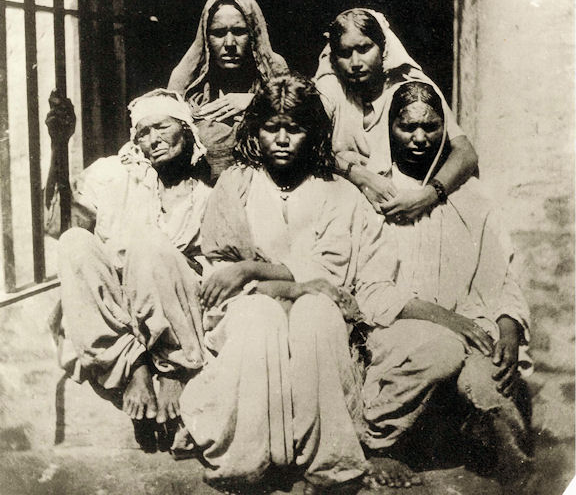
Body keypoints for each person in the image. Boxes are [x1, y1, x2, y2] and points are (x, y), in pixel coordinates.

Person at [176, 74, 404, 493]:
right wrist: (271, 284)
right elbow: (220, 265)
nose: (282, 139)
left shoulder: (336, 193)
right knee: (261, 318)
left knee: (315, 315)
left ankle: (330, 465)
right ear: (255, 130)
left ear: (312, 132)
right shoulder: (236, 184)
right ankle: (246, 460)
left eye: (294, 129)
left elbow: (330, 274)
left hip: (315, 309)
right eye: (271, 127)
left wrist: (255, 270)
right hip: (247, 308)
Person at [361, 80, 532, 486]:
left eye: (432, 126)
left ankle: (489, 441)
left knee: (489, 382)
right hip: (400, 329)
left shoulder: (473, 198)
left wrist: (508, 327)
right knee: (441, 352)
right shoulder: (377, 198)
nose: (420, 138)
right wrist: (449, 322)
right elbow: (373, 291)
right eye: (407, 127)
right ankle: (376, 443)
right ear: (389, 130)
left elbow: (504, 275)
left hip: (472, 324)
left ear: (444, 129)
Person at [51, 89, 212, 451]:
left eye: (161, 127)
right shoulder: (117, 181)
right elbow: (58, 225)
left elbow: (214, 267)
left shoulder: (205, 196)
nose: (152, 140)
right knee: (75, 241)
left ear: (185, 129)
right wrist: (59, 146)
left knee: (149, 244)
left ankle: (172, 371)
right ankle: (134, 366)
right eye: (143, 132)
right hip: (124, 309)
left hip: (177, 311)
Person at [315, 8, 478, 224]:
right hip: (347, 205)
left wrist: (427, 195)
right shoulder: (330, 88)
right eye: (345, 53)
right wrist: (360, 175)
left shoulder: (412, 88)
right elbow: (306, 146)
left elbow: (465, 152)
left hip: (407, 201)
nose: (355, 62)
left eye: (364, 49)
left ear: (382, 47)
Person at [168, 0, 288, 183]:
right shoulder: (185, 80)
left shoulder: (274, 70)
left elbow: (300, 124)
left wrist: (258, 101)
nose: (230, 43)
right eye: (219, 33)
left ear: (254, 33)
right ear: (206, 38)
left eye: (240, 32)